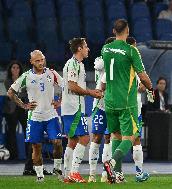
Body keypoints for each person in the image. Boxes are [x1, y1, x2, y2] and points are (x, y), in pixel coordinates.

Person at [102, 19, 153, 184]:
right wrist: (151, 87)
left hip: (109, 100)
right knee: (130, 136)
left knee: (116, 135)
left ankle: (117, 175)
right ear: (128, 31)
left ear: (113, 31)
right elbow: (143, 76)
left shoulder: (105, 49)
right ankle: (111, 162)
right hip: (126, 101)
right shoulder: (131, 51)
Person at [7, 50, 64, 182]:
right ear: (31, 62)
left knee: (57, 142)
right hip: (35, 118)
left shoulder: (52, 73)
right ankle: (40, 176)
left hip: (51, 115)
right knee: (36, 147)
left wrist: (60, 101)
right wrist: (24, 105)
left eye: (42, 59)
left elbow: (65, 86)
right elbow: (11, 92)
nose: (40, 63)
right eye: (37, 60)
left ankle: (57, 168)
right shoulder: (26, 76)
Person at [62, 38, 103, 183]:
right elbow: (72, 86)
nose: (88, 49)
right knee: (85, 138)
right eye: (86, 47)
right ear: (79, 48)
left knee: (72, 141)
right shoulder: (73, 64)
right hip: (74, 108)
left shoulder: (77, 64)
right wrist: (91, 92)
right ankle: (73, 173)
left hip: (70, 107)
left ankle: (67, 175)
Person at [88, 37, 115, 183]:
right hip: (100, 105)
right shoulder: (101, 59)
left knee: (108, 137)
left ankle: (105, 174)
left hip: (112, 105)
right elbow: (98, 65)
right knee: (96, 137)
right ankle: (92, 174)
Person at [126, 36, 150, 182]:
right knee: (134, 139)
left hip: (120, 105)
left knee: (117, 137)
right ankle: (138, 172)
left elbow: (139, 86)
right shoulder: (133, 62)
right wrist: (148, 87)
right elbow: (142, 85)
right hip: (132, 107)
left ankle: (112, 172)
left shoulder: (118, 62)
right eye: (135, 47)